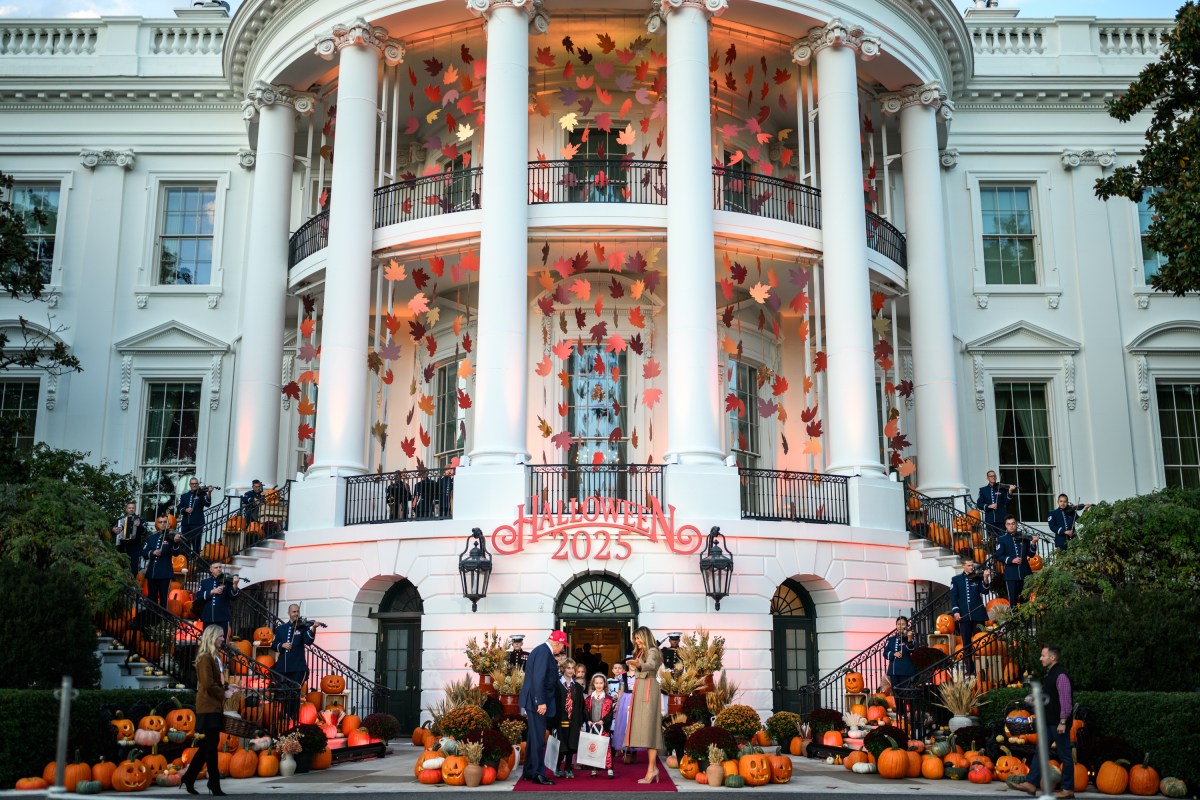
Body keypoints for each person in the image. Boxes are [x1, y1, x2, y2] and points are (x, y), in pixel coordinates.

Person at [1013, 645, 1076, 799]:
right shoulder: (1050, 674)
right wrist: (1034, 699)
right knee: (1040, 752)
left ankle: (1068, 789)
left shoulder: (1061, 675)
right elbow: (1050, 698)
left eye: (1043, 655)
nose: (1040, 658)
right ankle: (1031, 784)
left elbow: (1065, 700)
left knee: (1065, 756)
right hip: (1049, 722)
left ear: (1052, 658)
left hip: (1058, 723)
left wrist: (1063, 721)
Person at [181, 625, 233, 796]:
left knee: (207, 746)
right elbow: (207, 683)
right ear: (212, 637)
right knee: (210, 746)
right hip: (207, 706)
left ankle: (189, 777)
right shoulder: (205, 658)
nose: (223, 639)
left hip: (213, 706)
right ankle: (214, 783)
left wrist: (227, 686)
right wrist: (223, 693)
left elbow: (215, 682)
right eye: (220, 636)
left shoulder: (214, 657)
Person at [518, 629, 567, 785]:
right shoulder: (544, 653)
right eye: (562, 646)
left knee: (534, 738)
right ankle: (539, 774)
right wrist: (541, 702)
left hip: (534, 701)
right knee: (538, 739)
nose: (562, 649)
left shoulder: (541, 651)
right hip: (537, 702)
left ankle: (529, 771)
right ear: (557, 643)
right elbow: (538, 679)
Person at [626, 626, 664, 784]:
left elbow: (651, 665)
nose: (636, 641)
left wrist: (638, 664)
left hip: (648, 689)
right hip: (641, 689)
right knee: (648, 730)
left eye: (638, 638)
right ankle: (652, 769)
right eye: (635, 639)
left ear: (645, 636)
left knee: (651, 730)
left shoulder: (653, 651)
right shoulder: (641, 652)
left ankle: (651, 770)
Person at [272, 604, 317, 718]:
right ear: (289, 613)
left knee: (295, 693)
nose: (296, 614)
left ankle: (293, 718)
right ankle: (284, 717)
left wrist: (313, 629)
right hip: (283, 668)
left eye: (297, 611)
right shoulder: (280, 629)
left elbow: (308, 641)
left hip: (298, 667)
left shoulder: (302, 628)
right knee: (283, 694)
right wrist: (282, 645)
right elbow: (273, 644)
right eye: (294, 612)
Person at [949, 558, 992, 677]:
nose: (972, 567)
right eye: (969, 565)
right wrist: (956, 612)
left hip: (978, 615)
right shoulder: (956, 580)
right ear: (963, 566)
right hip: (964, 616)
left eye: (972, 565)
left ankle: (983, 669)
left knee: (981, 642)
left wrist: (985, 578)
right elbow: (953, 597)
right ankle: (970, 668)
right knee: (966, 644)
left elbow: (985, 592)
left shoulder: (977, 578)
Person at [141, 516, 183, 608]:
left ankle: (163, 620)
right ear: (157, 524)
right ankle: (153, 620)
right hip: (152, 573)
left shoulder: (171, 537)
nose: (163, 524)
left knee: (164, 599)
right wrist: (153, 552)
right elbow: (144, 553)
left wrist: (176, 542)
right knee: (152, 599)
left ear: (168, 524)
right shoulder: (151, 538)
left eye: (165, 522)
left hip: (165, 573)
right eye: (160, 522)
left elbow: (176, 553)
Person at [996, 515, 1037, 607]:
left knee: (1025, 602)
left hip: (1025, 574)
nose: (1011, 526)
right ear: (1005, 525)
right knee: (1013, 602)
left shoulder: (1024, 537)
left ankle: (1026, 621)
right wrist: (1011, 560)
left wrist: (1033, 543)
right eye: (1009, 524)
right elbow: (999, 556)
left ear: (1016, 524)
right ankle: (1015, 621)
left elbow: (1031, 554)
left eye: (1013, 523)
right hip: (1011, 575)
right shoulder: (1002, 539)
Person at [555, 661, 586, 778]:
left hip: (574, 720)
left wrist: (581, 722)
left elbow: (581, 705)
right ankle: (557, 766)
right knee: (561, 745)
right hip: (560, 719)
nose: (570, 670)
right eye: (568, 668)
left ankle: (568, 768)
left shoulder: (577, 687)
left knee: (572, 745)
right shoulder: (557, 685)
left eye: (573, 668)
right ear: (563, 669)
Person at [584, 672, 615, 778]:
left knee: (605, 747)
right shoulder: (589, 699)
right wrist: (588, 720)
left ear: (604, 684)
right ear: (593, 684)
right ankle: (593, 769)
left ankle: (609, 768)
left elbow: (610, 713)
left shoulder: (608, 699)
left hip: (602, 726)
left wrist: (604, 721)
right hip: (593, 725)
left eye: (601, 683)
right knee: (593, 747)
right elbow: (586, 712)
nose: (598, 685)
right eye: (596, 683)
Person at [197, 563, 240, 638]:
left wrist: (235, 585)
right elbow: (199, 596)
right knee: (208, 640)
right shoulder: (205, 582)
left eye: (220, 567)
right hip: (208, 617)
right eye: (216, 567)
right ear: (211, 570)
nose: (219, 569)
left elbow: (233, 597)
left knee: (222, 641)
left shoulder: (227, 582)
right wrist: (212, 591)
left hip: (222, 617)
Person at [177, 478, 214, 551]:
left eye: (196, 484)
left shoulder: (202, 494)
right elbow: (179, 509)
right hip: (185, 524)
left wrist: (209, 493)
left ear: (198, 484)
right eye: (192, 484)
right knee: (185, 545)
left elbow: (207, 504)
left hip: (197, 524)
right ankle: (186, 561)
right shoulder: (184, 496)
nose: (194, 485)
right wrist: (185, 509)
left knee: (196, 545)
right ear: (190, 485)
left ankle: (195, 561)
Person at [112, 502, 145, 576]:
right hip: (122, 547)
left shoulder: (140, 519)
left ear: (135, 509)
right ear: (126, 509)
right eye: (129, 508)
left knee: (134, 567)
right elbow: (115, 529)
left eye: (133, 508)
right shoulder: (120, 519)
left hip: (134, 547)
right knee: (121, 566)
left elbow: (145, 531)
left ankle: (133, 585)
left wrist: (140, 525)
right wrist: (113, 529)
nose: (131, 509)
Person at [883, 615, 916, 689]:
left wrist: (909, 640)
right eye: (898, 624)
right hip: (894, 672)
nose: (900, 626)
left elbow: (911, 650)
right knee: (896, 695)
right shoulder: (891, 640)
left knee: (906, 694)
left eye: (903, 624)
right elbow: (885, 653)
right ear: (896, 626)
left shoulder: (909, 638)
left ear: (907, 626)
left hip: (906, 671)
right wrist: (894, 654)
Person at [609, 661, 632, 761]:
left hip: (624, 704)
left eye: (620, 668)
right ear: (612, 670)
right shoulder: (609, 681)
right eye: (615, 668)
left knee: (625, 725)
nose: (617, 670)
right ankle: (613, 749)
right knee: (614, 726)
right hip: (612, 705)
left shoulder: (626, 679)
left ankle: (626, 751)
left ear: (623, 670)